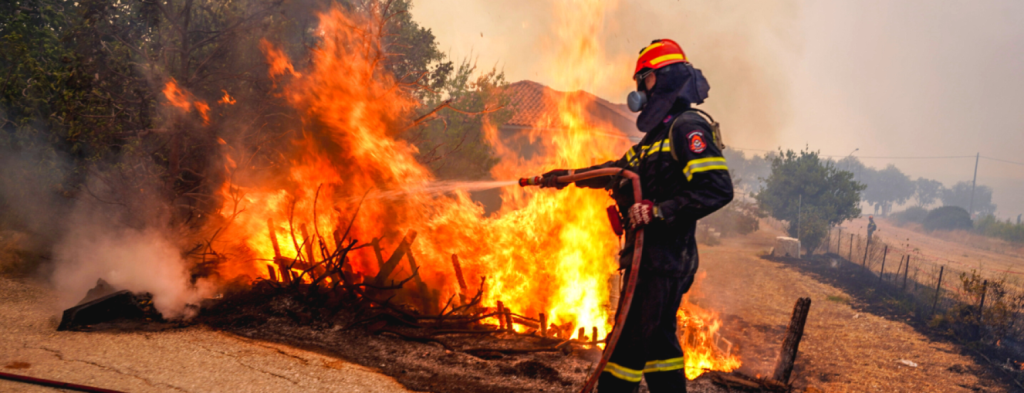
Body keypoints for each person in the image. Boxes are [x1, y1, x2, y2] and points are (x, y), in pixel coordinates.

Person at [539, 39, 733, 392]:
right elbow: (616, 171)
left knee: (625, 344)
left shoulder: (687, 128)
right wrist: (566, 177)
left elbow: (717, 188)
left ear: (665, 78)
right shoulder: (656, 138)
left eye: (645, 80)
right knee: (659, 344)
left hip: (663, 260)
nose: (640, 91)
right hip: (653, 260)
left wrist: (657, 212)